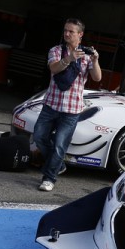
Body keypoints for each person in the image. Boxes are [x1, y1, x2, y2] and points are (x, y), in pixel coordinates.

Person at [32, 19, 102, 191]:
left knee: (59, 145)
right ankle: (57, 165)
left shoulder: (86, 55)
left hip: (71, 110)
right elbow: (54, 69)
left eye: (71, 31)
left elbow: (97, 78)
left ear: (80, 34)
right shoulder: (56, 50)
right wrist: (69, 59)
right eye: (65, 31)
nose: (67, 34)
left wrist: (95, 60)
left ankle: (49, 178)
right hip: (51, 105)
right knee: (39, 136)